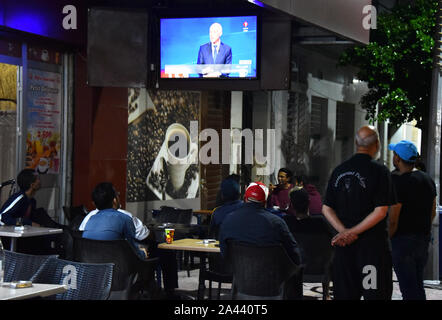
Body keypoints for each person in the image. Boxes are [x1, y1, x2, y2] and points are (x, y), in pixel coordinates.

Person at [322, 125, 397, 300]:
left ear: (356, 143)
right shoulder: (380, 172)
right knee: (373, 295)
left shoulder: (339, 170)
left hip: (344, 250)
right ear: (377, 144)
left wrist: (344, 232)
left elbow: (326, 208)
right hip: (371, 251)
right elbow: (380, 211)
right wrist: (352, 232)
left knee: (346, 295)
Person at [81, 182, 179, 298]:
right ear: (114, 201)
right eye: (117, 195)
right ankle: (168, 293)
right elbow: (137, 244)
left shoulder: (88, 218)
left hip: (92, 271)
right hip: (121, 272)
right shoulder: (125, 217)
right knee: (162, 252)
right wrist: (142, 251)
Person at [219, 182, 303, 299]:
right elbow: (295, 255)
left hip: (242, 285)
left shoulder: (228, 220)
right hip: (272, 288)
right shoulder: (277, 223)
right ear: (264, 202)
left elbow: (225, 253)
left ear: (244, 198)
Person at [388, 140, 437, 300]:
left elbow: (394, 218)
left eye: (395, 154)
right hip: (422, 239)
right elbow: (433, 211)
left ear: (398, 158)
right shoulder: (427, 180)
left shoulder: (399, 183)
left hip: (403, 241)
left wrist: (388, 238)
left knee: (408, 289)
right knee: (417, 286)